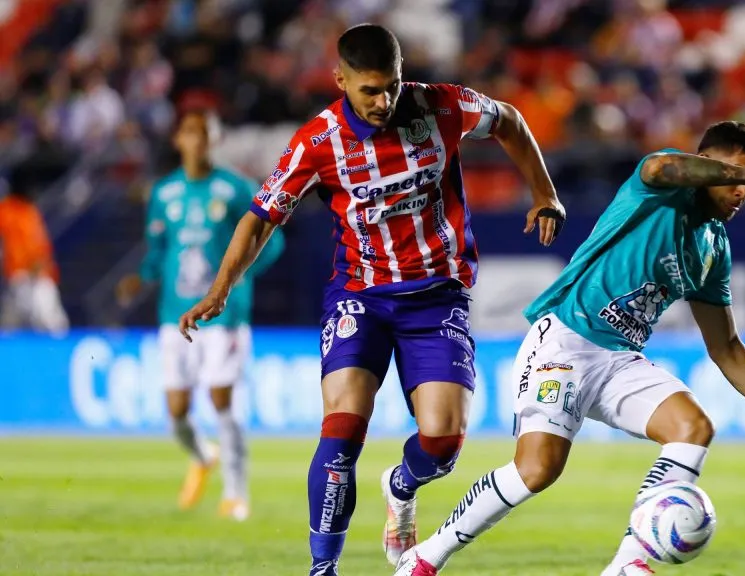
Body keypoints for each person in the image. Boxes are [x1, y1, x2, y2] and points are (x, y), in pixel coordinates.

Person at [176, 24, 565, 576]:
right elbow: (261, 218)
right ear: (340, 80)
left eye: (393, 86)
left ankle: (401, 485)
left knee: (442, 445)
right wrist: (220, 290)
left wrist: (545, 192)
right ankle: (322, 569)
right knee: (340, 435)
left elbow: (509, 120)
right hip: (359, 297)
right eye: (370, 90)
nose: (384, 101)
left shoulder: (441, 106)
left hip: (437, 297)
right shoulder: (318, 141)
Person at [394, 121, 745, 576]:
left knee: (692, 427)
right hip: (565, 341)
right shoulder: (661, 188)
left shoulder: (713, 247)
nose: (743, 192)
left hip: (620, 359)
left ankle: (628, 564)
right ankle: (425, 557)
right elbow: (662, 166)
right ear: (709, 164)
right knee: (537, 470)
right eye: (737, 176)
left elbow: (725, 346)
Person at [117, 109, 284, 521]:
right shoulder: (164, 193)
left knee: (221, 397)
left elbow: (270, 242)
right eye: (190, 132)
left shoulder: (235, 188)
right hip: (174, 313)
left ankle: (235, 492)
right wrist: (141, 278)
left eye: (204, 133)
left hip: (223, 314)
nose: (197, 141)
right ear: (178, 139)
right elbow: (158, 249)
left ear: (216, 139)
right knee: (176, 411)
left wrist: (238, 280)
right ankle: (203, 456)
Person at [0, 167, 69, 335]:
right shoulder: (6, 211)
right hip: (20, 276)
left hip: (38, 276)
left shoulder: (30, 211)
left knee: (50, 324)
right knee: (13, 326)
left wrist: (42, 264)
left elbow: (40, 244)